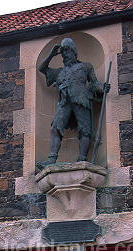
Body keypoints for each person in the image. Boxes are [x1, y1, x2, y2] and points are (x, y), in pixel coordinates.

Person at [37, 38, 110, 168]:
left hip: (82, 99)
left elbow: (94, 84)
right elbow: (42, 68)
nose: (64, 54)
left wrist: (102, 88)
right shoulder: (59, 72)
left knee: (85, 130)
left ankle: (82, 159)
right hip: (64, 102)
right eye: (63, 52)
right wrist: (51, 54)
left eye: (67, 51)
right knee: (55, 128)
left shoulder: (85, 66)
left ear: (73, 52)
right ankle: (51, 160)